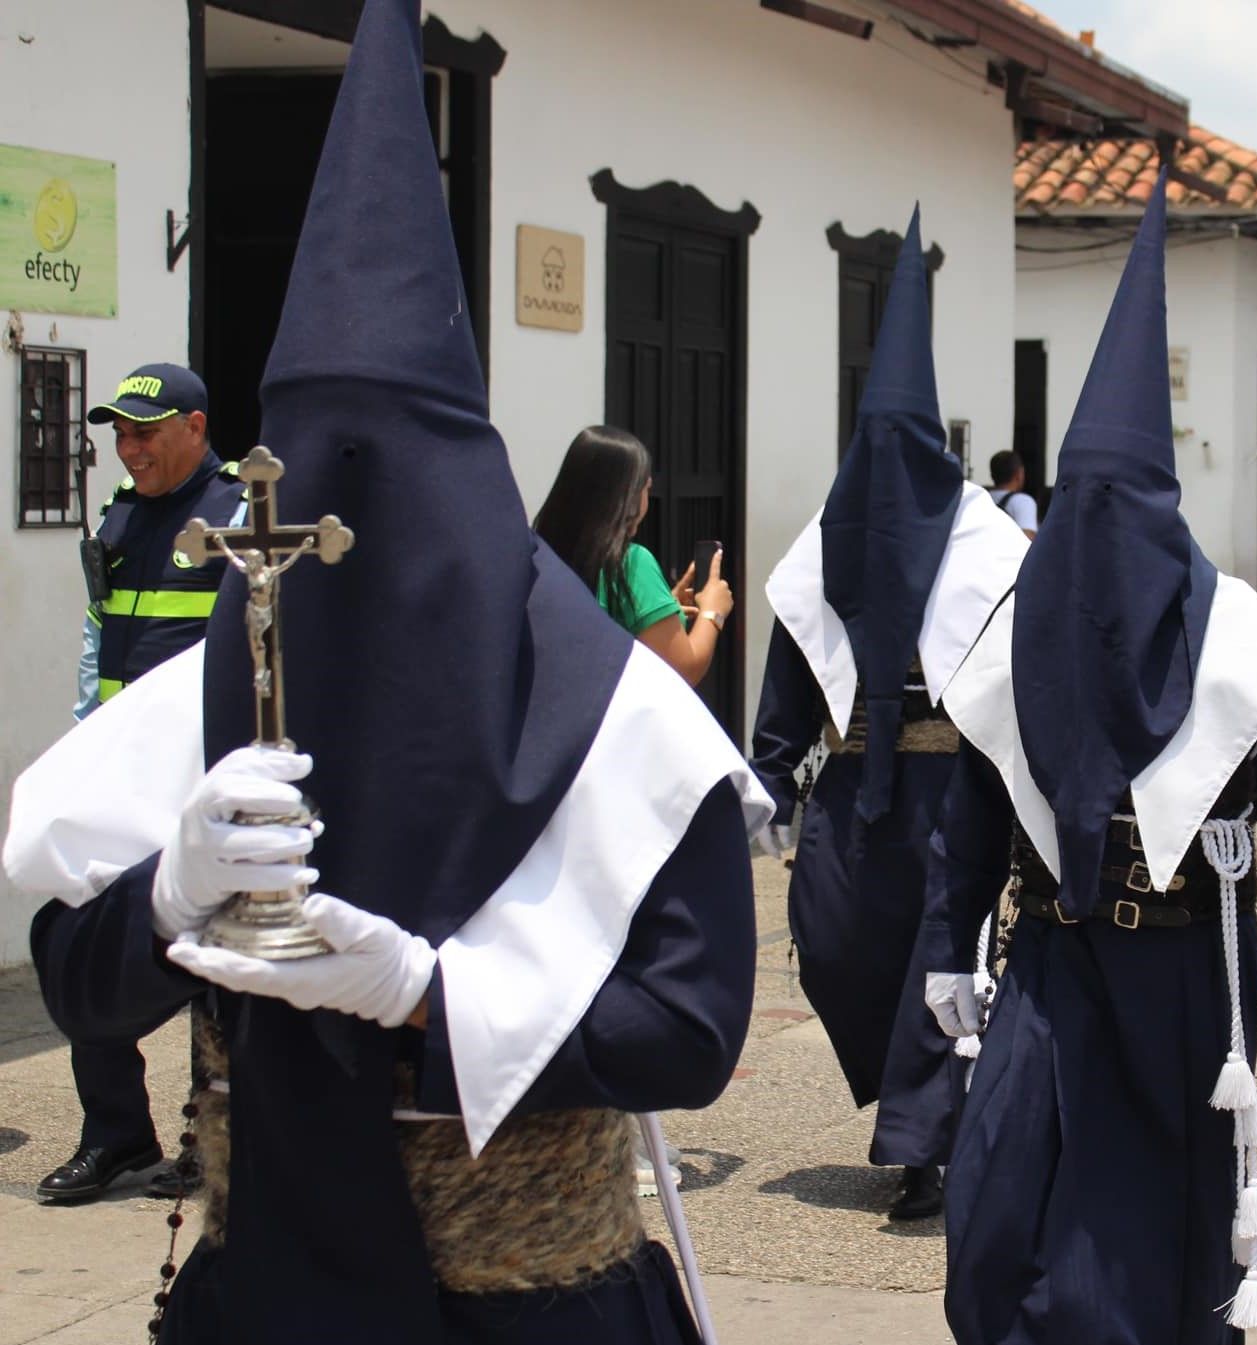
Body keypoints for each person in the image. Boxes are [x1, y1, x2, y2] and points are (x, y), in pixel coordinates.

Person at [6, 3, 772, 1339]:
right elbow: (77, 978)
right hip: (267, 1296)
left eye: (392, 494)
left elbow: (692, 1028)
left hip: (536, 1302)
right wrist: (168, 898)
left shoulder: (621, 725)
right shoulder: (213, 686)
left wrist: (433, 998)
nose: (336, 542)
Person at [922, 177, 1257, 1343]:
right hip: (1050, 960)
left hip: (1183, 973)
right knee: (995, 1212)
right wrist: (943, 948)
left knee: (1131, 1247)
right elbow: (971, 804)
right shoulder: (1022, 632)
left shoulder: (1240, 642)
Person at [749, 210, 1029, 1221]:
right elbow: (790, 672)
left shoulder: (992, 551)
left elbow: (1016, 674)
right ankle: (919, 1111)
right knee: (828, 942)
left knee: (939, 950)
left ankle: (924, 1145)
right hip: (853, 790)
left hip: (954, 787)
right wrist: (768, 776)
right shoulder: (826, 543)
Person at [36, 363, 243, 1207]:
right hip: (118, 777)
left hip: (198, 774)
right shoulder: (122, 510)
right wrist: (84, 733)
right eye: (120, 433)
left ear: (194, 427)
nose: (129, 448)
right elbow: (99, 630)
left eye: (145, 432)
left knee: (207, 954)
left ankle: (210, 1135)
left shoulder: (237, 513)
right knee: (83, 926)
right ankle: (115, 1131)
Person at [533, 425, 733, 688]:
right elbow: (685, 670)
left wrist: (660, 607)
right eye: (646, 489)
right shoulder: (631, 563)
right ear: (626, 496)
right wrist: (713, 612)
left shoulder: (539, 553)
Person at [987, 449, 1038, 537]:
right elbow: (1027, 539)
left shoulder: (981, 499)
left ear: (992, 475)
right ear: (1019, 474)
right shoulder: (1023, 502)